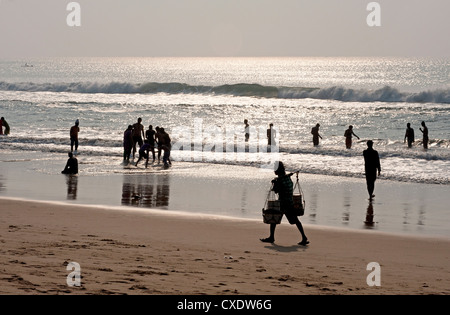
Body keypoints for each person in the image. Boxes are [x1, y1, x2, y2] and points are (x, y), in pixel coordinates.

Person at [260, 162, 309, 246]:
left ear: (277, 171)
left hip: (283, 203)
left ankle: (271, 237)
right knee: (296, 221)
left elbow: (276, 191)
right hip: (290, 202)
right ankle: (304, 237)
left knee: (274, 217)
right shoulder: (288, 179)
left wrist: (275, 183)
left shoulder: (280, 180)